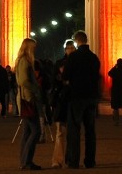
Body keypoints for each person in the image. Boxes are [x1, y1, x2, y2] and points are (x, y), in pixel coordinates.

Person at [62, 30, 101, 169]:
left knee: (74, 130)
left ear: (76, 41)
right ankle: (90, 161)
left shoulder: (73, 57)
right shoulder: (94, 57)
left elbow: (66, 76)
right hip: (91, 97)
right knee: (90, 130)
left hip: (77, 97)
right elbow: (97, 76)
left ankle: (73, 161)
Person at [14, 37, 45, 171]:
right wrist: (36, 89)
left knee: (27, 132)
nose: (35, 50)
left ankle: (24, 161)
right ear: (28, 48)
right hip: (28, 99)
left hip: (25, 98)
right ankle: (27, 161)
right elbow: (23, 81)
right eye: (33, 48)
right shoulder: (25, 61)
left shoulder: (21, 61)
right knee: (36, 131)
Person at [50, 38, 75, 168]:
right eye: (68, 48)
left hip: (73, 100)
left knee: (72, 133)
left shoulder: (78, 62)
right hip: (62, 100)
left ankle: (70, 159)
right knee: (60, 132)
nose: (70, 50)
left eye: (72, 48)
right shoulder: (59, 63)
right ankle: (57, 160)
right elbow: (54, 80)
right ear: (65, 49)